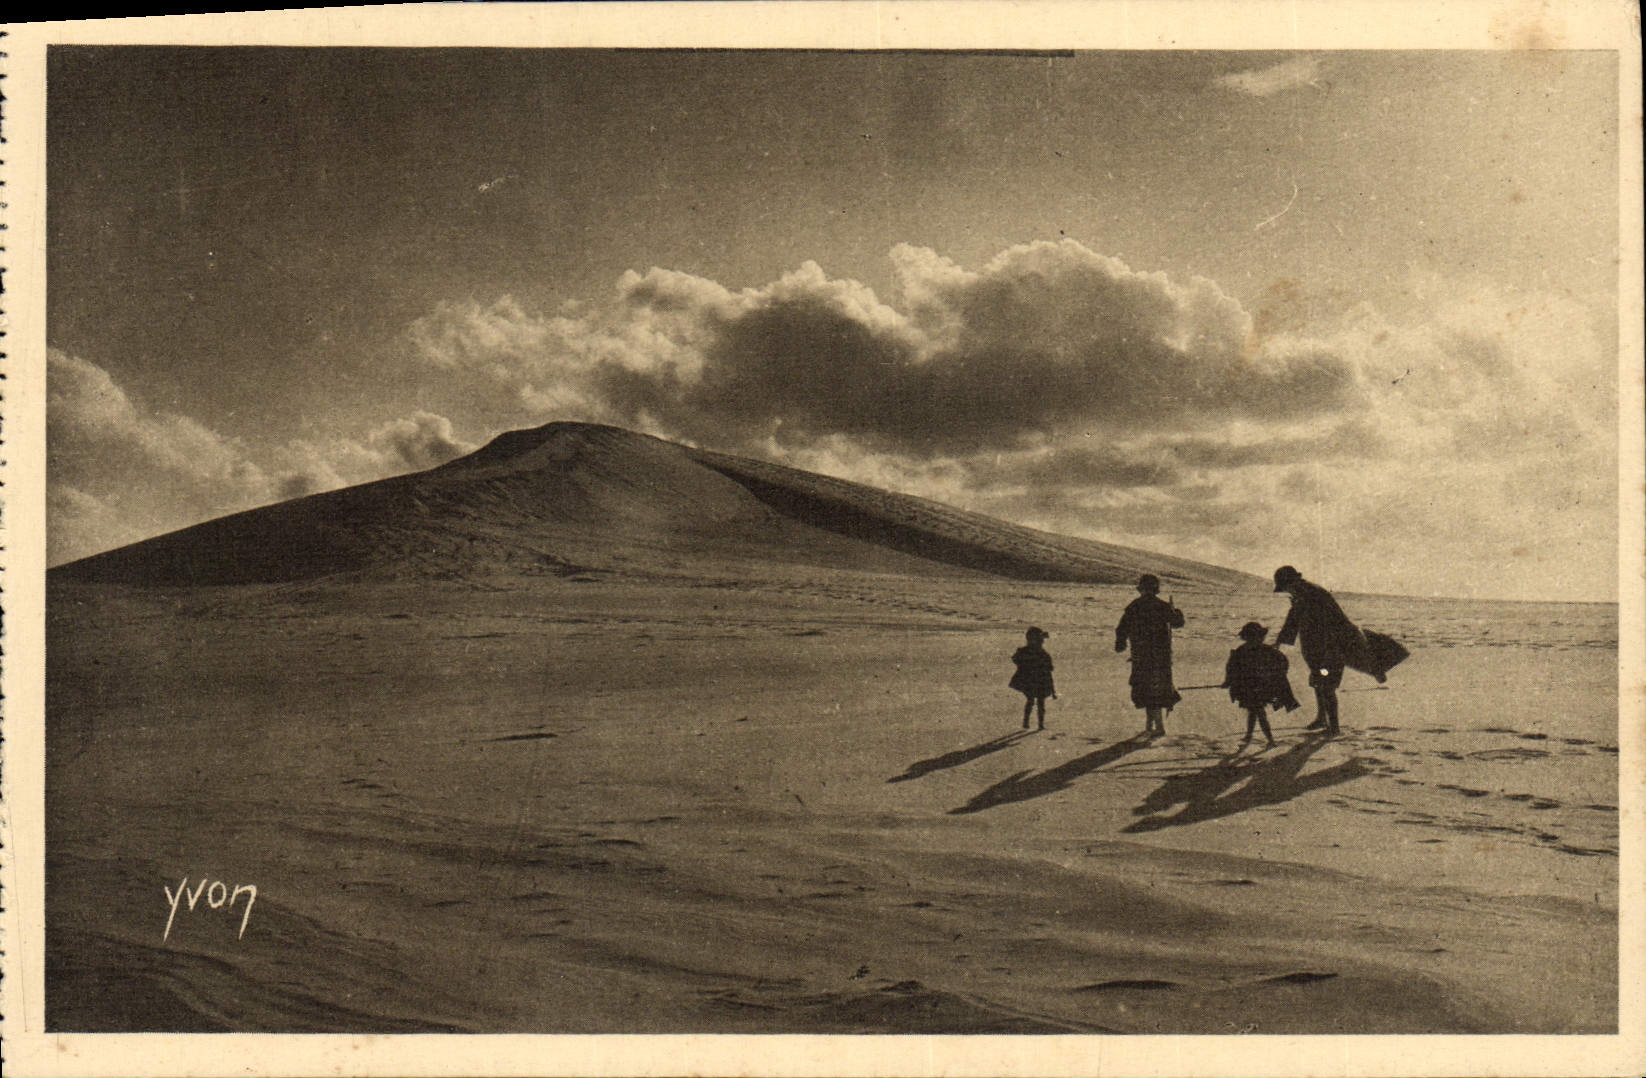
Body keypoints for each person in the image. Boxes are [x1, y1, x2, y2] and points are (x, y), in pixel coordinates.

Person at [1272, 565, 1407, 736]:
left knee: (1326, 685)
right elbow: (1294, 619)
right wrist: (1280, 642)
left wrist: (1330, 651)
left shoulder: (1314, 594)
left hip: (1332, 648)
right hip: (1316, 648)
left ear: (1293, 581)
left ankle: (1334, 727)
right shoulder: (1301, 595)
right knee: (1317, 681)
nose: (1287, 591)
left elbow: (1333, 624)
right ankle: (1322, 718)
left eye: (1286, 587)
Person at [1114, 574, 1184, 737]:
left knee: (1147, 689)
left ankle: (1153, 725)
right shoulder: (1162, 606)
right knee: (1156, 690)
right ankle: (1155, 725)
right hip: (1160, 657)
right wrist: (1177, 613)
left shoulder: (1134, 606)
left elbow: (1121, 628)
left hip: (1142, 656)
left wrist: (1121, 643)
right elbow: (1178, 623)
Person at [1222, 621, 1300, 747]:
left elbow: (1282, 664)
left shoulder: (1259, 651)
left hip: (1259, 689)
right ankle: (1253, 736)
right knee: (1255, 712)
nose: (1255, 640)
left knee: (1258, 713)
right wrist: (1228, 681)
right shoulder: (1248, 651)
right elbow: (1232, 668)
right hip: (1251, 689)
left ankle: (1269, 740)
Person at [1008, 627, 1056, 730]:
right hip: (1034, 680)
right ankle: (1036, 724)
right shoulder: (1039, 653)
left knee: (1035, 701)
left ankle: (1033, 723)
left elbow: (1049, 669)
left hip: (1035, 680)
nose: (1042, 641)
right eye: (1040, 639)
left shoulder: (1039, 653)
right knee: (1036, 702)